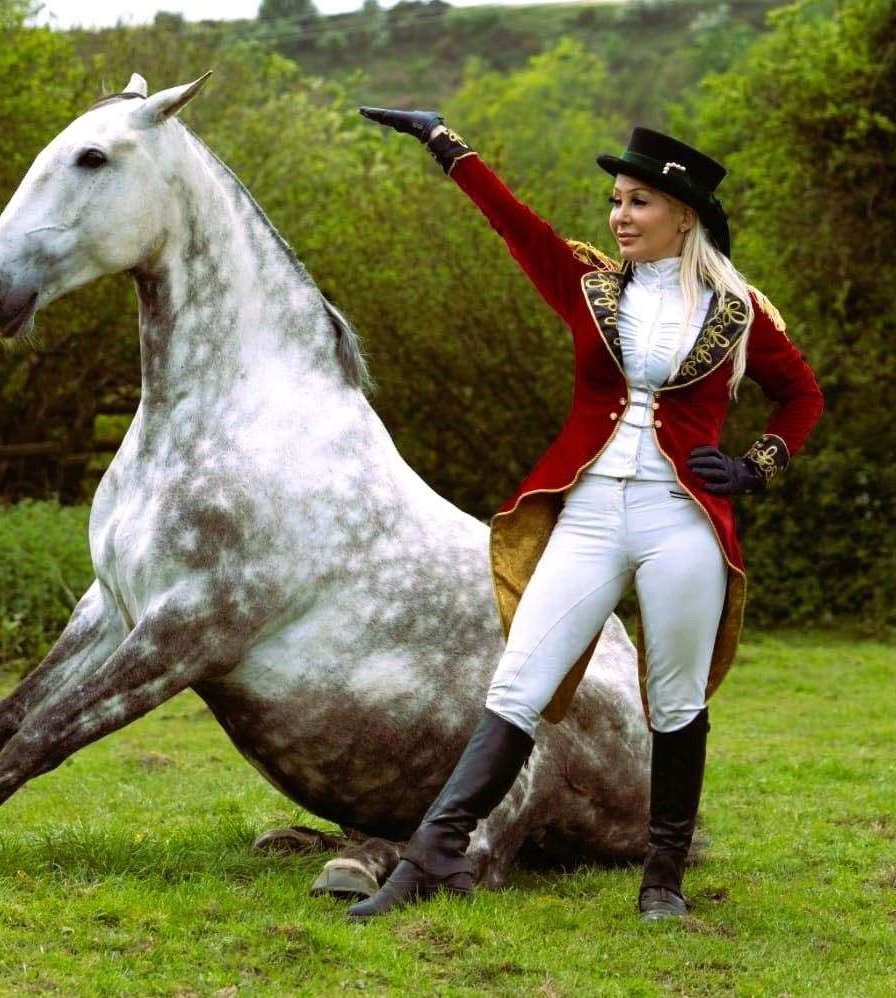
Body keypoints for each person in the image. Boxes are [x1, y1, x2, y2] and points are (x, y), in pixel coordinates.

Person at [346, 108, 825, 923]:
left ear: (685, 216)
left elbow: (804, 396)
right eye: (615, 201)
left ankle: (663, 880)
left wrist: (755, 466)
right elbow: (514, 223)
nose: (619, 216)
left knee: (674, 701)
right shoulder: (589, 286)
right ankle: (430, 857)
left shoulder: (738, 312)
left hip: (684, 524)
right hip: (591, 514)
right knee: (519, 680)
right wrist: (444, 144)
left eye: (638, 202)